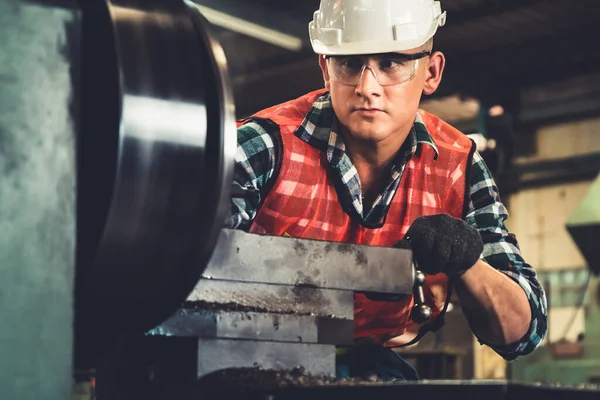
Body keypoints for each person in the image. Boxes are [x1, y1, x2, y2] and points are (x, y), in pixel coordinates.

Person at [227, 0, 547, 381]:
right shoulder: (260, 147)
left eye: (390, 63)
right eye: (349, 63)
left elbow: (523, 332)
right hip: (243, 359)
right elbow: (178, 278)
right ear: (325, 69)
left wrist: (467, 262)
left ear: (431, 71)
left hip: (368, 367)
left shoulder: (455, 167)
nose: (367, 87)